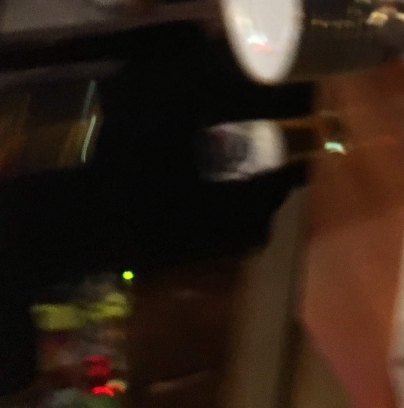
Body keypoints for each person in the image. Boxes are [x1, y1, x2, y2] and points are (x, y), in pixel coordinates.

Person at [0, 22, 310, 395]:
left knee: (291, 102)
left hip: (140, 169)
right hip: (140, 189)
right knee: (296, 124)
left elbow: (15, 365)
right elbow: (13, 364)